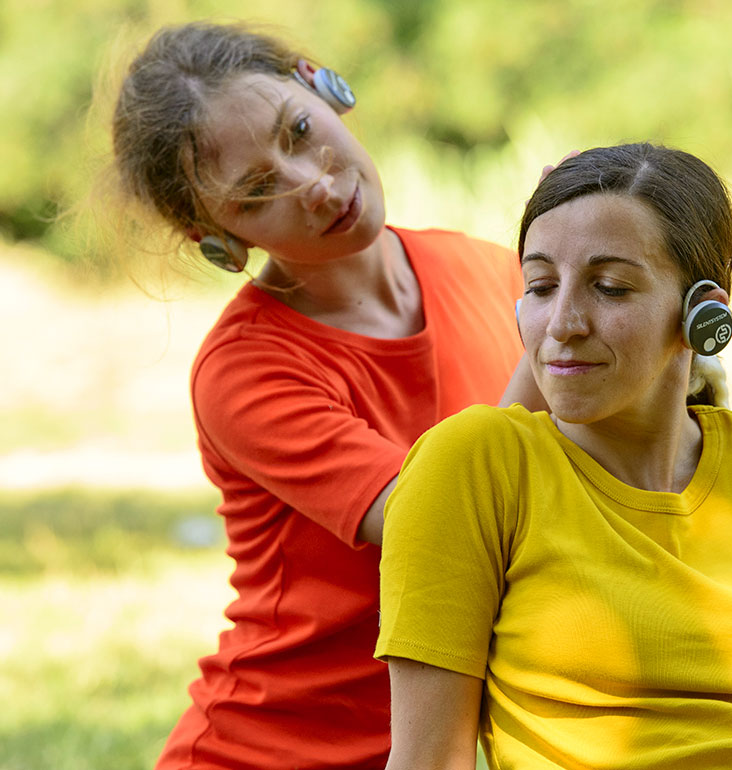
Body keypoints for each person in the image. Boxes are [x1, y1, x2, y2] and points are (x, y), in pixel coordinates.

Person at [107, 20, 540, 770]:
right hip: (268, 751)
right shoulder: (245, 370)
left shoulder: (490, 272)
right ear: (213, 237)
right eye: (256, 193)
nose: (312, 183)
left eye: (299, 130)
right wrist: (562, 340)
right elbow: (440, 530)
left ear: (322, 83)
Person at [375, 143, 732, 769]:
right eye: (539, 286)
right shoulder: (473, 464)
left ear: (704, 311)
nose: (561, 322)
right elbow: (427, 761)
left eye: (610, 287)